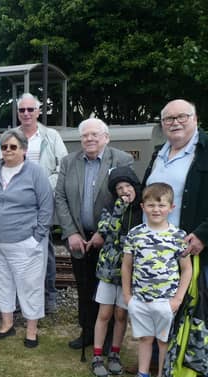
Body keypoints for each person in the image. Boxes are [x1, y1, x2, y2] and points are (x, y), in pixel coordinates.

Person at [142, 98, 208, 377]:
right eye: (168, 119)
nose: (175, 122)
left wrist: (202, 234)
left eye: (182, 116)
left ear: (195, 118)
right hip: (162, 248)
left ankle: (203, 375)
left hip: (196, 246)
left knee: (200, 312)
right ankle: (163, 365)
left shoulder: (205, 149)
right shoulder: (160, 153)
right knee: (168, 309)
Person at [55, 118, 134, 350]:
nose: (89, 139)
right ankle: (87, 331)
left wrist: (103, 232)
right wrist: (70, 232)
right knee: (84, 285)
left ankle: (109, 338)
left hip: (109, 240)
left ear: (106, 137)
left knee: (108, 289)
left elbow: (126, 198)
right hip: (78, 237)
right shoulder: (69, 162)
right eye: (85, 135)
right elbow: (60, 197)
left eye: (94, 135)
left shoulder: (121, 159)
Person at [120, 183, 192, 377]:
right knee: (144, 338)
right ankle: (143, 376)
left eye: (161, 205)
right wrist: (128, 296)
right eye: (151, 205)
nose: (156, 209)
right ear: (143, 206)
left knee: (163, 342)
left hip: (166, 301)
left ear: (171, 207)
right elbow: (126, 266)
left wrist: (177, 299)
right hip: (140, 299)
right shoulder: (135, 234)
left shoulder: (178, 236)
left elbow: (186, 269)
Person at [0, 129, 53, 348]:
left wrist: (36, 237)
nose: (8, 151)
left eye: (13, 147)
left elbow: (46, 207)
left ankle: (31, 330)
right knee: (1, 283)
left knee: (29, 285)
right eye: (4, 147)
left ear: (23, 149)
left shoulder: (35, 172)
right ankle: (7, 323)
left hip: (25, 240)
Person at [16, 93, 68, 313]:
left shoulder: (51, 136)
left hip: (43, 201)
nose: (26, 113)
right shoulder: (12, 136)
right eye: (22, 110)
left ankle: (49, 295)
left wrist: (43, 186)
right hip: (19, 204)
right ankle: (21, 298)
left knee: (43, 249)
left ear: (38, 111)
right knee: (19, 251)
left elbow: (63, 166)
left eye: (31, 109)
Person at [90, 167, 142, 377]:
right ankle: (97, 355)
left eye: (128, 186)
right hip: (109, 269)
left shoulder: (142, 209)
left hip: (130, 272)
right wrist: (120, 207)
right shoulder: (111, 208)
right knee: (105, 313)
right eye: (119, 188)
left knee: (122, 314)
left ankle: (115, 353)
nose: (124, 191)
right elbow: (106, 230)